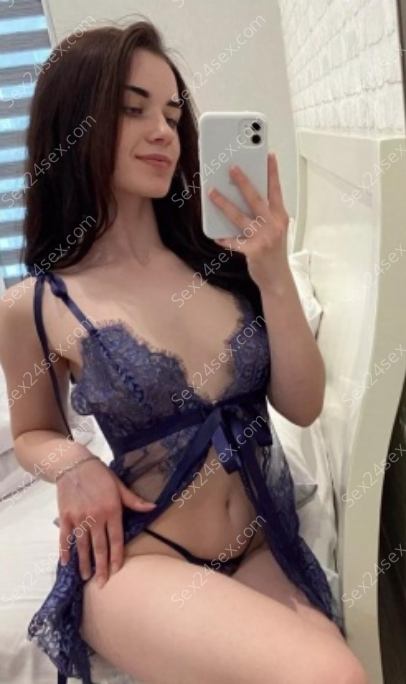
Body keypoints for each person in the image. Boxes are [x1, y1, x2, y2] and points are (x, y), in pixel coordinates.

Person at [0, 18, 368, 684]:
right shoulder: (37, 302)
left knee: (340, 671)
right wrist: (74, 465)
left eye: (172, 115)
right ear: (73, 123)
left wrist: (273, 273)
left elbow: (304, 406)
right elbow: (31, 433)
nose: (163, 131)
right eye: (132, 109)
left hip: (258, 539)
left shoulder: (220, 261)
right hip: (140, 558)